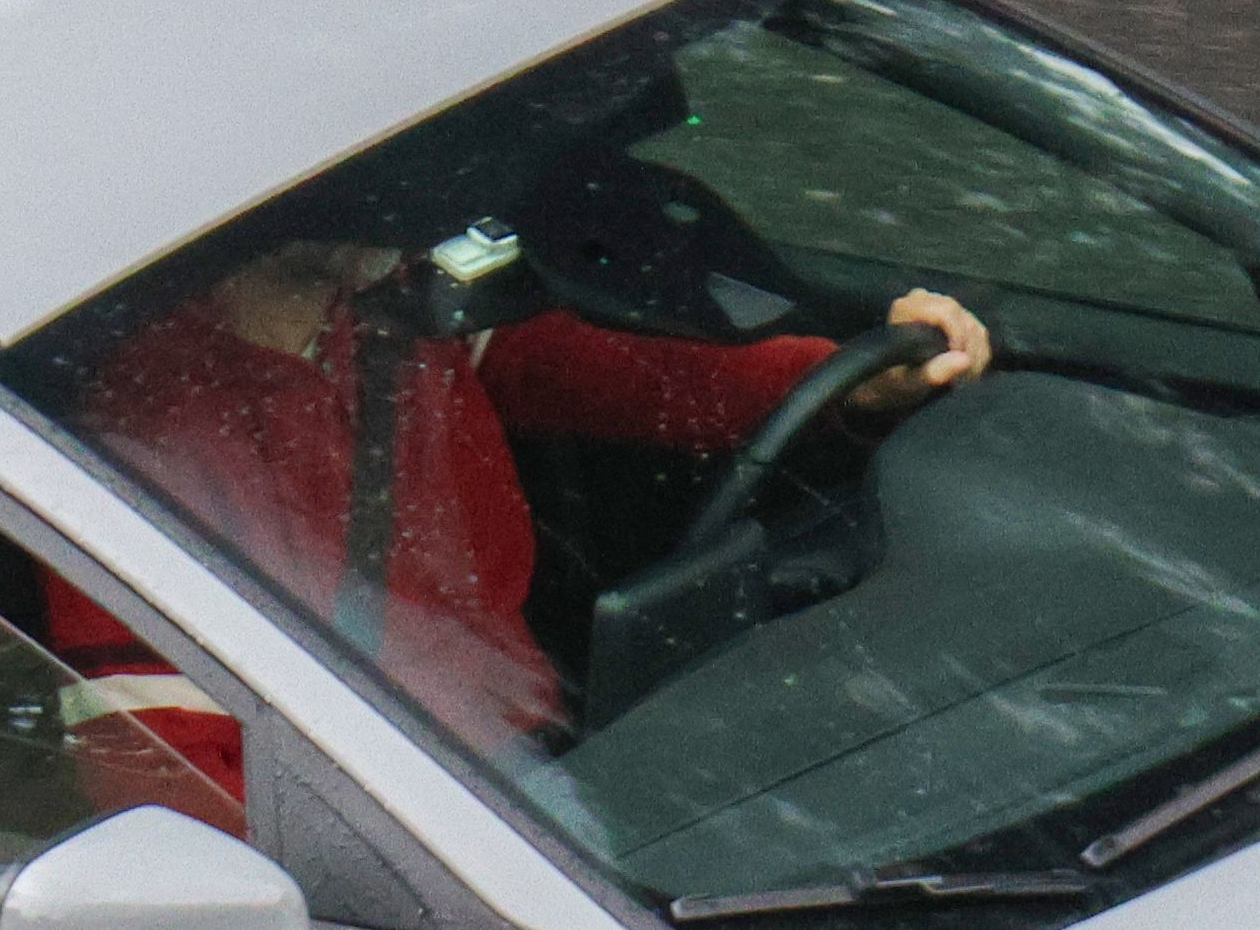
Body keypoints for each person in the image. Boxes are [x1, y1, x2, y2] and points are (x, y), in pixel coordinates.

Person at [50, 229, 994, 809]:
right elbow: (169, 779)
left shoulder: (401, 314)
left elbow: (647, 383)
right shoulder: (137, 438)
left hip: (545, 759)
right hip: (434, 832)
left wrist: (856, 385)